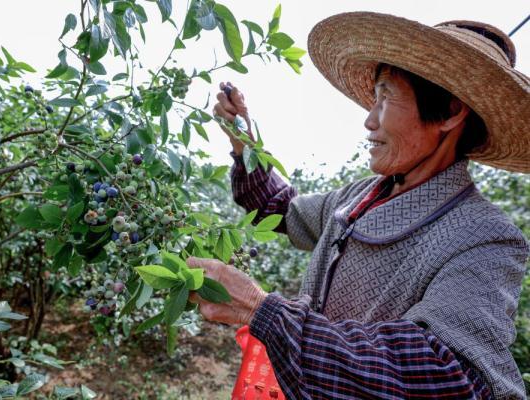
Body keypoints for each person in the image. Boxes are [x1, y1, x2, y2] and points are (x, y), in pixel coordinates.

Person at [187, 12, 530, 399]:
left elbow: (446, 377)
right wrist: (243, 143)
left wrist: (260, 310)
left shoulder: (484, 238)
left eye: (386, 97)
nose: (369, 120)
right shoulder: (359, 198)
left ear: (450, 112)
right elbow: (278, 209)